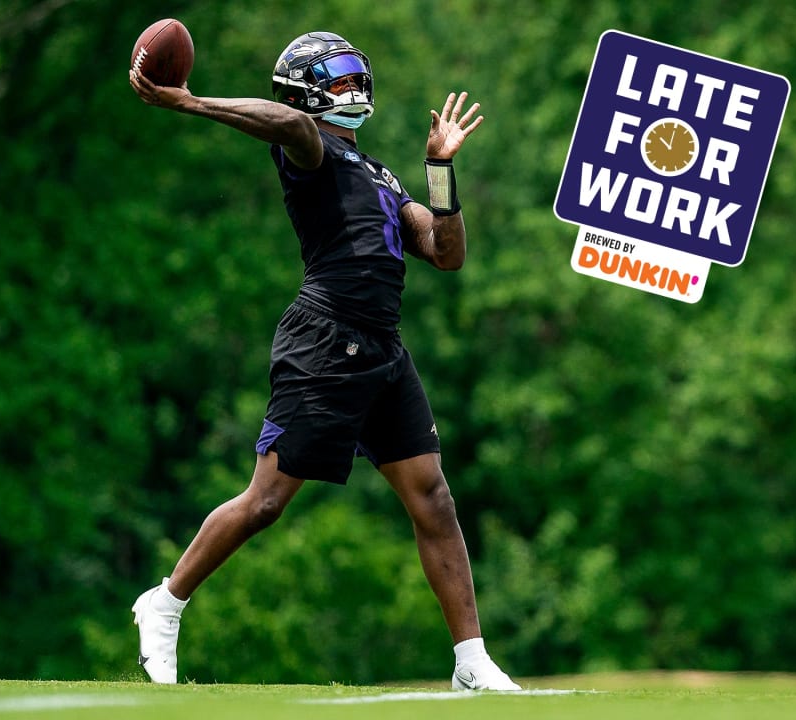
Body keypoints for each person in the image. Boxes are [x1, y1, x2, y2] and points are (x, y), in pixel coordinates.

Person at [126, 30, 519, 691]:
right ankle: (165, 602)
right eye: (338, 82)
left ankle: (471, 662)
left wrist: (441, 171)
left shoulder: (383, 177)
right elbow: (284, 121)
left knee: (435, 499)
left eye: (356, 78)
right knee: (266, 502)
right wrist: (190, 104)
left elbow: (447, 253)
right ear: (307, 94)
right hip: (325, 339)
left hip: (382, 348)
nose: (355, 91)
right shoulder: (309, 150)